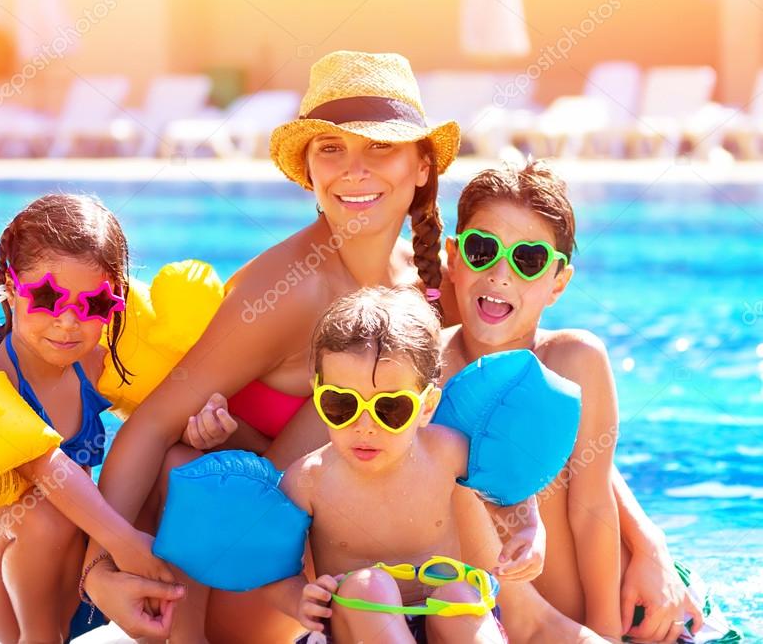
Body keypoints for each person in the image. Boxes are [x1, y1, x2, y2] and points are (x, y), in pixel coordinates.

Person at [80, 51, 601, 643]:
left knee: (486, 395)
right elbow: (149, 431)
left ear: (423, 165)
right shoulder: (287, 292)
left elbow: (509, 427)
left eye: (380, 147)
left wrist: (648, 546)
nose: (354, 170)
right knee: (363, 385)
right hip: (276, 587)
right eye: (332, 149)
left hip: (397, 576)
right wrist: (100, 571)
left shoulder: (424, 284)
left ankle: (528, 614)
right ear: (309, 169)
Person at [440, 160, 740, 643]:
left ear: (558, 281)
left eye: (529, 260)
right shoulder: (425, 366)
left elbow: (592, 508)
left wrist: (602, 632)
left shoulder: (574, 359)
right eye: (482, 250)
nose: (500, 274)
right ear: (453, 257)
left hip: (632, 618)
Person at [0, 194, 171, 643]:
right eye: (47, 298)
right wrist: (126, 543)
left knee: (176, 465)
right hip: (6, 593)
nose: (69, 322)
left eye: (93, 304)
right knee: (43, 512)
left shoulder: (97, 366)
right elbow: (40, 463)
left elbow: (164, 417)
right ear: (8, 288)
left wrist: (208, 422)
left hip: (85, 573)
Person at [277, 285, 530, 643]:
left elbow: (507, 483)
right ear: (318, 393)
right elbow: (274, 567)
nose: (364, 425)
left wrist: (527, 529)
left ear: (427, 407)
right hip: (355, 632)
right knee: (368, 587)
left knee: (458, 594)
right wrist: (298, 599)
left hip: (440, 624)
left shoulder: (446, 453)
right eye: (342, 405)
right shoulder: (307, 481)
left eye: (390, 409)